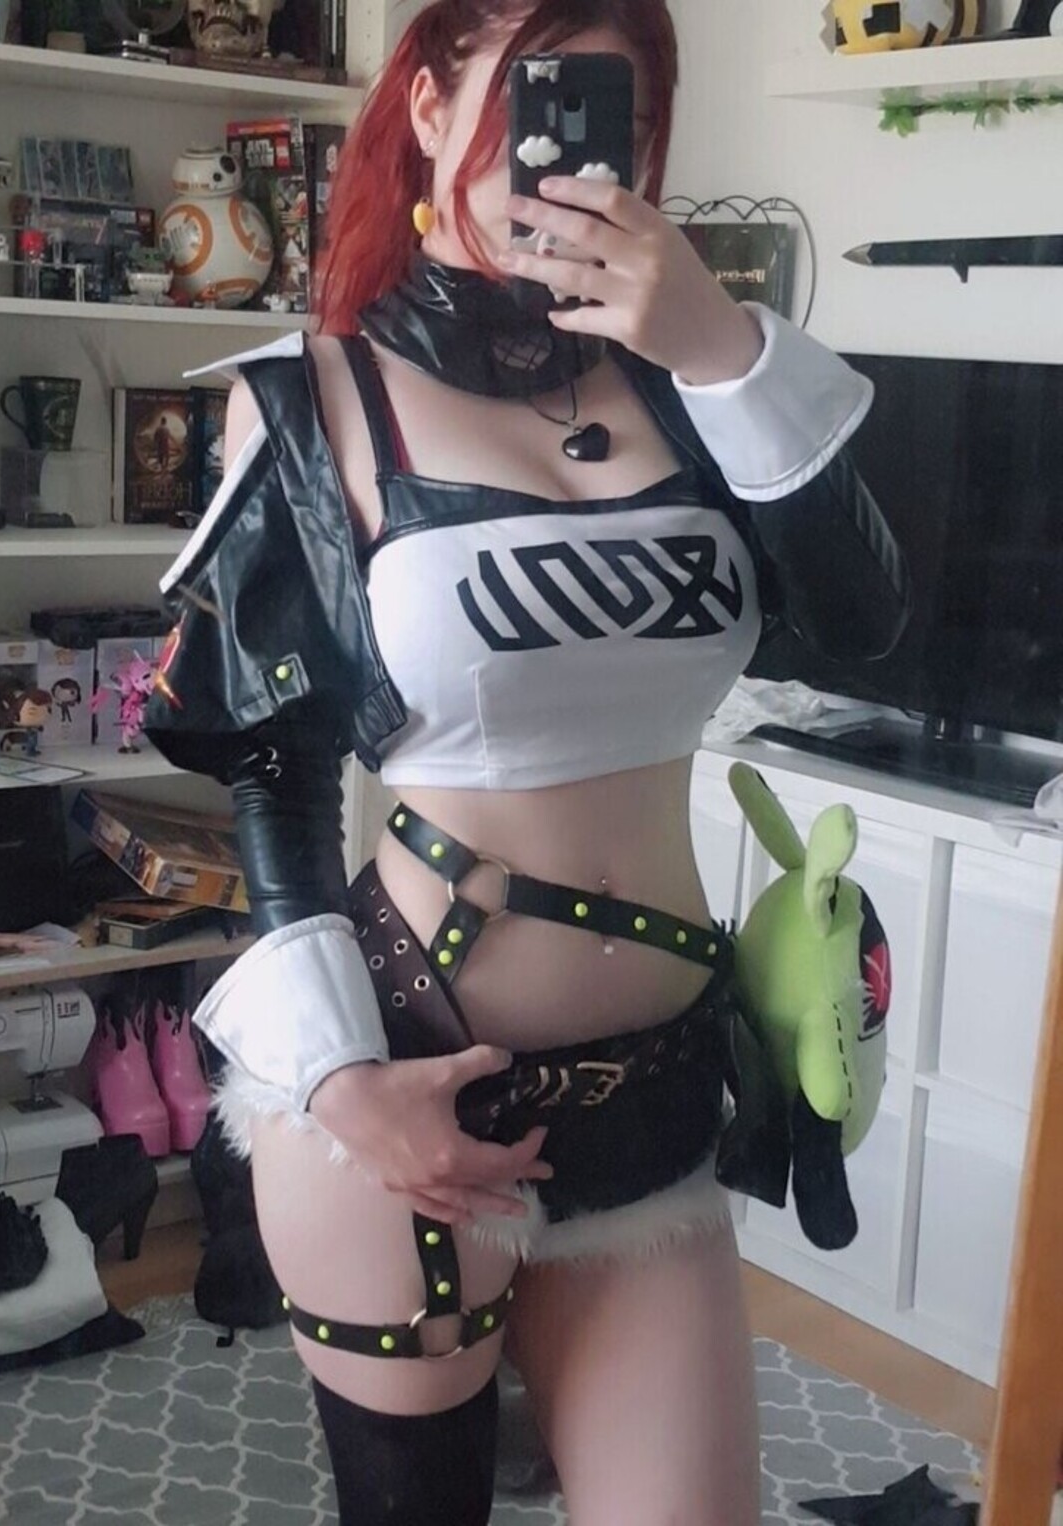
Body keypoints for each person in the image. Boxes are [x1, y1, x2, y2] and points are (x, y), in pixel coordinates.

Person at [144, 2, 910, 1522]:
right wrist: (343, 1081)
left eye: (613, 119)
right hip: (416, 1089)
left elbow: (864, 620)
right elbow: (274, 766)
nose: (564, 162)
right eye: (528, 106)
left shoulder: (696, 386)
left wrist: (721, 344)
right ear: (431, 110)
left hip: (661, 1099)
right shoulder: (312, 397)